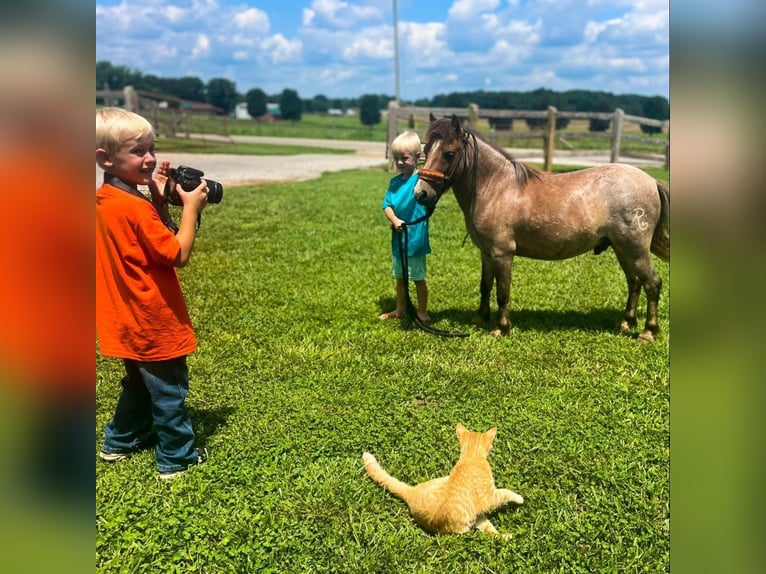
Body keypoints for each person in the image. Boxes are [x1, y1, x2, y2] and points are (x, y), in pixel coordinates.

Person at [96, 107, 209, 480]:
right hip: (153, 319)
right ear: (105, 158)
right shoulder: (136, 209)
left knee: (139, 384)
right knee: (169, 392)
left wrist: (158, 200)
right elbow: (177, 253)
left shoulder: (106, 202)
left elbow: (140, 243)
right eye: (137, 151)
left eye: (151, 148)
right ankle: (177, 457)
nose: (149, 159)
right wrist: (190, 207)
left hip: (124, 320)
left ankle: (121, 441)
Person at [379, 131, 431, 324]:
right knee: (400, 278)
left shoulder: (423, 180)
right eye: (396, 159)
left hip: (415, 239)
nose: (400, 162)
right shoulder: (394, 182)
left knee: (417, 278)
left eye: (405, 158)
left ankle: (422, 312)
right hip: (398, 238)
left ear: (418, 156)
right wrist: (395, 220)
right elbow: (387, 205)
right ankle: (400, 309)